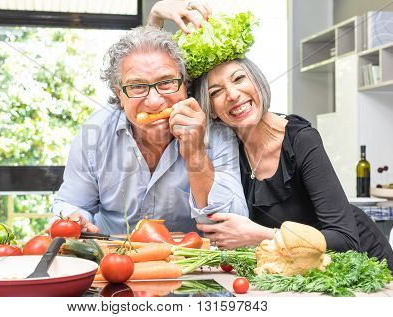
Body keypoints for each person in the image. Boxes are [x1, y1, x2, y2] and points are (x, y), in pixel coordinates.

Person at [148, 0, 393, 271]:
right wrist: (156, 16)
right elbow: (159, 84)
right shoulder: (226, 148)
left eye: (239, 78)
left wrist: (258, 234)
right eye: (216, 92)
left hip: (362, 267)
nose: (232, 94)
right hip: (301, 273)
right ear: (211, 110)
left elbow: (346, 239)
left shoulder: (300, 139)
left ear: (257, 81)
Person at [51, 25, 247, 235]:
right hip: (113, 258)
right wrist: (75, 218)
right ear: (119, 94)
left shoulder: (218, 134)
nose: (154, 102)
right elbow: (72, 203)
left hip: (189, 263)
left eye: (167, 83)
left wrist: (196, 154)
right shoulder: (95, 131)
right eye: (137, 87)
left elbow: (232, 226)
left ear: (184, 84)